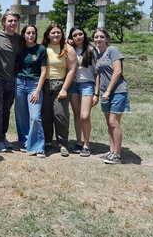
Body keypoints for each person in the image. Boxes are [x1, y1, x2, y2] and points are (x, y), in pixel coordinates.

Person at [93, 28, 130, 164]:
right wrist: (97, 93)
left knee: (114, 122)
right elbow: (98, 75)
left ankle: (117, 154)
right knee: (109, 123)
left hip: (117, 91)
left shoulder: (112, 50)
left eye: (102, 37)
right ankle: (112, 151)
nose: (99, 39)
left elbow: (118, 71)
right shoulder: (98, 55)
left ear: (107, 38)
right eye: (96, 37)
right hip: (104, 93)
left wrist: (108, 91)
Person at [40, 23, 77, 156]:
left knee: (60, 114)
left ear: (62, 34)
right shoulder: (43, 47)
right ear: (48, 35)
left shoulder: (67, 48)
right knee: (46, 114)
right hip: (44, 84)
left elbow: (72, 69)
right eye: (53, 33)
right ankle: (48, 141)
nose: (56, 35)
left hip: (60, 84)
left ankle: (62, 143)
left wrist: (64, 88)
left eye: (58, 32)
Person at [0, 11, 21, 152]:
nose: (12, 23)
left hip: (12, 79)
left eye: (15, 21)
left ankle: (4, 136)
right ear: (4, 22)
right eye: (10, 21)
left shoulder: (19, 39)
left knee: (7, 110)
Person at [14, 25, 47, 158]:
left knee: (35, 116)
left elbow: (44, 71)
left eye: (33, 33)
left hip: (35, 84)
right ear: (24, 35)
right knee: (21, 115)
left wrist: (38, 90)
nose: (31, 35)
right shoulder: (20, 49)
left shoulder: (41, 49)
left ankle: (39, 146)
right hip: (20, 83)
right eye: (28, 33)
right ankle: (25, 141)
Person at [68, 27, 99, 157]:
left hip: (87, 83)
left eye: (80, 34)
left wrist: (96, 93)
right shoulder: (70, 49)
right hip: (73, 84)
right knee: (76, 113)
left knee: (84, 116)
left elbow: (98, 73)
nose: (78, 37)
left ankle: (87, 144)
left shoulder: (91, 50)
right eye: (75, 35)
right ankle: (79, 141)